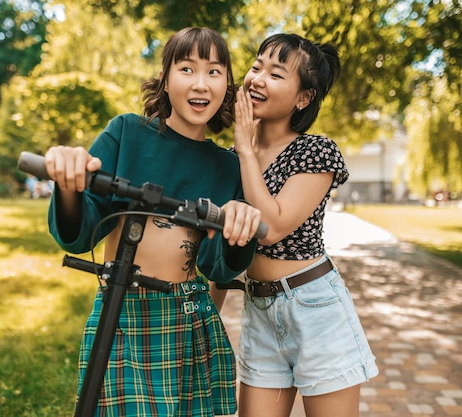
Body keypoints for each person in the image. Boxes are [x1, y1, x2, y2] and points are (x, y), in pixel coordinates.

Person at [43, 27, 262, 417]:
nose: (201, 83)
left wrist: (239, 226)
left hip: (189, 316)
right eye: (187, 68)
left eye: (214, 71)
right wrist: (68, 184)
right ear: (164, 78)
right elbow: (78, 234)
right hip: (121, 306)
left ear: (227, 84)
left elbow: (217, 264)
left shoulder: (228, 167)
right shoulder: (126, 133)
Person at [224, 33, 379, 417]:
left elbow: (272, 226)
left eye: (276, 74)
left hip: (315, 308)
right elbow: (219, 252)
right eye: (256, 67)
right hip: (258, 308)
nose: (257, 79)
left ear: (303, 98)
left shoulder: (315, 152)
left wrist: (245, 148)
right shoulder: (229, 159)